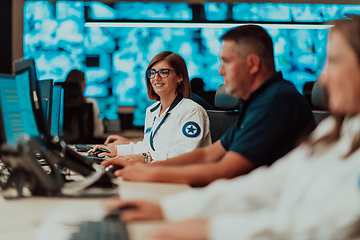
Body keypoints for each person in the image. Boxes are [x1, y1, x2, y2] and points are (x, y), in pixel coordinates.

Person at [106, 17, 360, 240]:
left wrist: (153, 174)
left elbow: (229, 171)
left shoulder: (276, 100)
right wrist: (166, 204)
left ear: (251, 64)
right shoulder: (331, 131)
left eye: (335, 60)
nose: (324, 76)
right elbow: (266, 181)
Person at [101, 25, 315, 187]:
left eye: (226, 61)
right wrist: (143, 164)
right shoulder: (258, 100)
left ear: (252, 64)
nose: (220, 71)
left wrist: (148, 171)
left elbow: (225, 169)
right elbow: (208, 155)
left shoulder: (276, 100)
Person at [92, 51, 211, 163]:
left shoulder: (191, 111)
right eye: (152, 73)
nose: (156, 78)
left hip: (184, 178)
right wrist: (116, 151)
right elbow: (148, 147)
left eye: (164, 72)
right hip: (159, 172)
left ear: (180, 77)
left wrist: (145, 157)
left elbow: (185, 154)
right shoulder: (152, 111)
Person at [64, 69, 104, 138]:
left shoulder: (59, 105)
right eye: (84, 81)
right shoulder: (91, 103)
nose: (86, 84)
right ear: (81, 84)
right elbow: (98, 132)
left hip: (63, 145)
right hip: (84, 146)